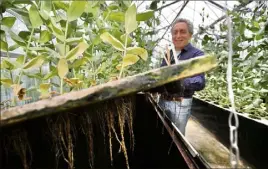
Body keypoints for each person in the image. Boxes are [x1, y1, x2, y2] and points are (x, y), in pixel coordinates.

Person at [158, 18, 206, 135]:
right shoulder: (168, 54)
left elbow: (200, 82)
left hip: (180, 104)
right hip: (162, 101)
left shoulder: (197, 55)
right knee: (160, 132)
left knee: (177, 138)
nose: (177, 35)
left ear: (190, 35)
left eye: (182, 31)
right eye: (175, 32)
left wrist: (178, 82)